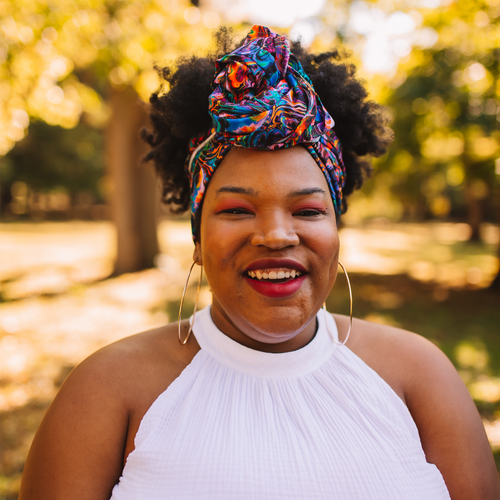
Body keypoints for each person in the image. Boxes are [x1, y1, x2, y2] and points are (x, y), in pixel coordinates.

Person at [19, 26, 500, 500]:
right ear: (197, 239)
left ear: (336, 233)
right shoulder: (105, 391)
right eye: (235, 210)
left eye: (308, 210)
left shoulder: (421, 378)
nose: (275, 235)